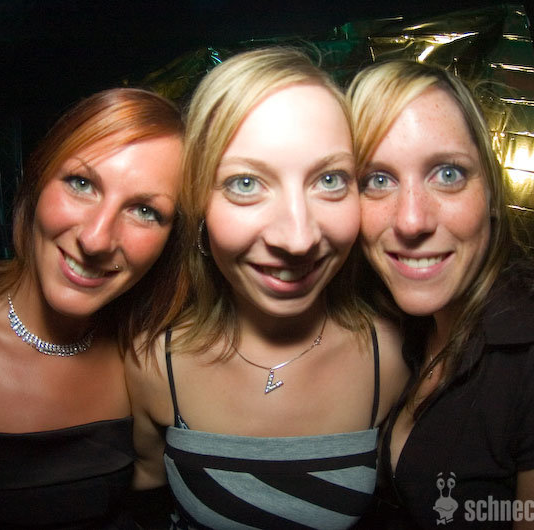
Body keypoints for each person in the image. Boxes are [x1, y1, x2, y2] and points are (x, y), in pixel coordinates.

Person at [126, 47, 409, 529]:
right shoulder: (155, 363)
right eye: (245, 183)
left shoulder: (394, 358)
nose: (297, 239)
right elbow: (144, 490)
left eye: (330, 179)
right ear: (198, 203)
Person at [348, 60, 534, 528]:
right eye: (377, 180)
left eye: (448, 174)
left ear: (493, 194)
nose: (412, 220)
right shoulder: (395, 325)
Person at [0, 87, 185, 529]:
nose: (96, 239)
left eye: (144, 210)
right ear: (37, 180)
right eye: (81, 183)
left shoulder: (158, 353)